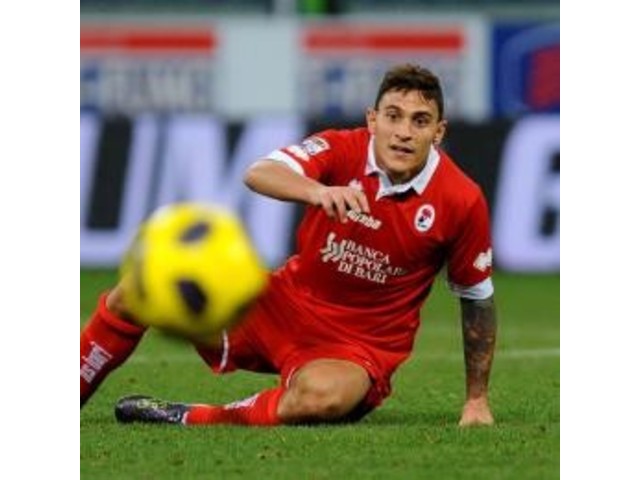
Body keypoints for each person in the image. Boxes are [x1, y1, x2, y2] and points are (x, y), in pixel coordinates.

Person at [80, 63, 497, 427]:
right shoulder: (342, 147)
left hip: (359, 347)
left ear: (438, 132)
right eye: (393, 116)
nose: (404, 133)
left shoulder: (461, 199)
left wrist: (476, 400)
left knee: (323, 397)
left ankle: (191, 416)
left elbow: (477, 298)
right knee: (138, 290)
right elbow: (259, 172)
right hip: (280, 304)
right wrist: (317, 191)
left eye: (420, 121)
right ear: (373, 120)